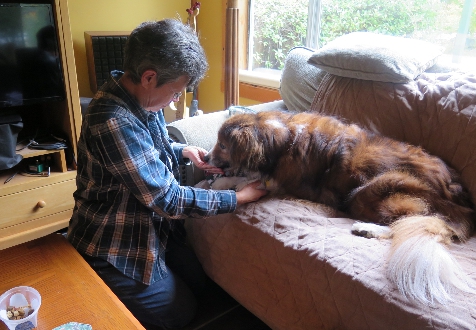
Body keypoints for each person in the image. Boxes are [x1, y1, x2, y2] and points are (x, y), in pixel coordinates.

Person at [67, 19, 267, 329]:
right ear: (149, 77)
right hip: (113, 242)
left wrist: (182, 151)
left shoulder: (142, 98)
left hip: (151, 229)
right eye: (174, 93)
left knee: (201, 285)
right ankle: (93, 278)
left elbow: (146, 152)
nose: (175, 100)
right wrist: (237, 197)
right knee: (178, 314)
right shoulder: (112, 120)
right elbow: (168, 200)